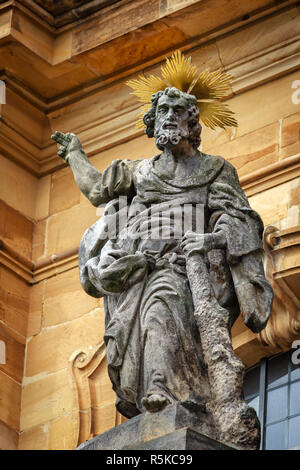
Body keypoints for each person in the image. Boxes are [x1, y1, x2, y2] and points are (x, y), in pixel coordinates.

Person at [51, 87, 273, 422]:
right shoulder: (139, 171)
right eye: (163, 111)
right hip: (139, 262)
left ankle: (162, 389)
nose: (170, 116)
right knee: (141, 317)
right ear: (153, 122)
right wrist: (74, 155)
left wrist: (209, 240)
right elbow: (98, 190)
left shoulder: (214, 169)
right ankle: (153, 389)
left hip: (185, 261)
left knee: (163, 302)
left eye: (178, 110)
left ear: (191, 122)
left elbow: (239, 218)